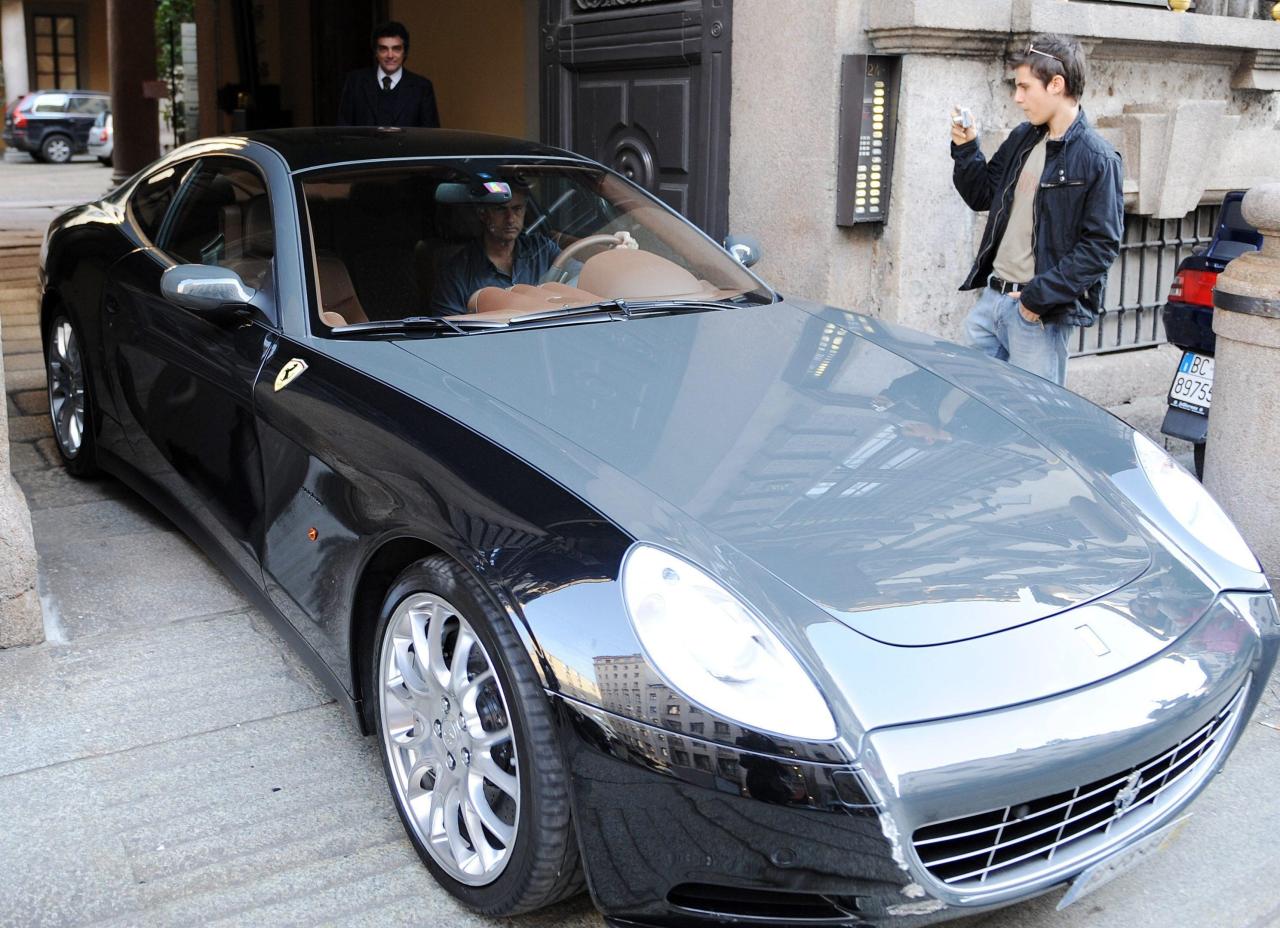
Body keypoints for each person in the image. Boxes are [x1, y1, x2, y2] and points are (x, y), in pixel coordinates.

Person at [950, 33, 1123, 386]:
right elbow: (982, 194)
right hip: (991, 303)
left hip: (1037, 315)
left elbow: (1100, 246)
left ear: (1056, 84)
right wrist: (967, 148)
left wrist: (1035, 299)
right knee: (969, 405)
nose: (1018, 97)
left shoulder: (1098, 159)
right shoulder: (1023, 138)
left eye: (1025, 87)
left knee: (1032, 421)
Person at [429, 188, 561, 316]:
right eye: (500, 209)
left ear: (525, 210)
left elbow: (576, 279)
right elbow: (449, 330)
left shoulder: (542, 249)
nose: (510, 219)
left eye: (517, 209)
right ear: (483, 214)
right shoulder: (457, 272)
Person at [337, 21, 440, 128]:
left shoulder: (422, 88)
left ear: (405, 52)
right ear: (376, 52)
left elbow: (430, 137)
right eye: (383, 49)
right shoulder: (355, 82)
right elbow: (343, 131)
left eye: (396, 49)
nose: (390, 55)